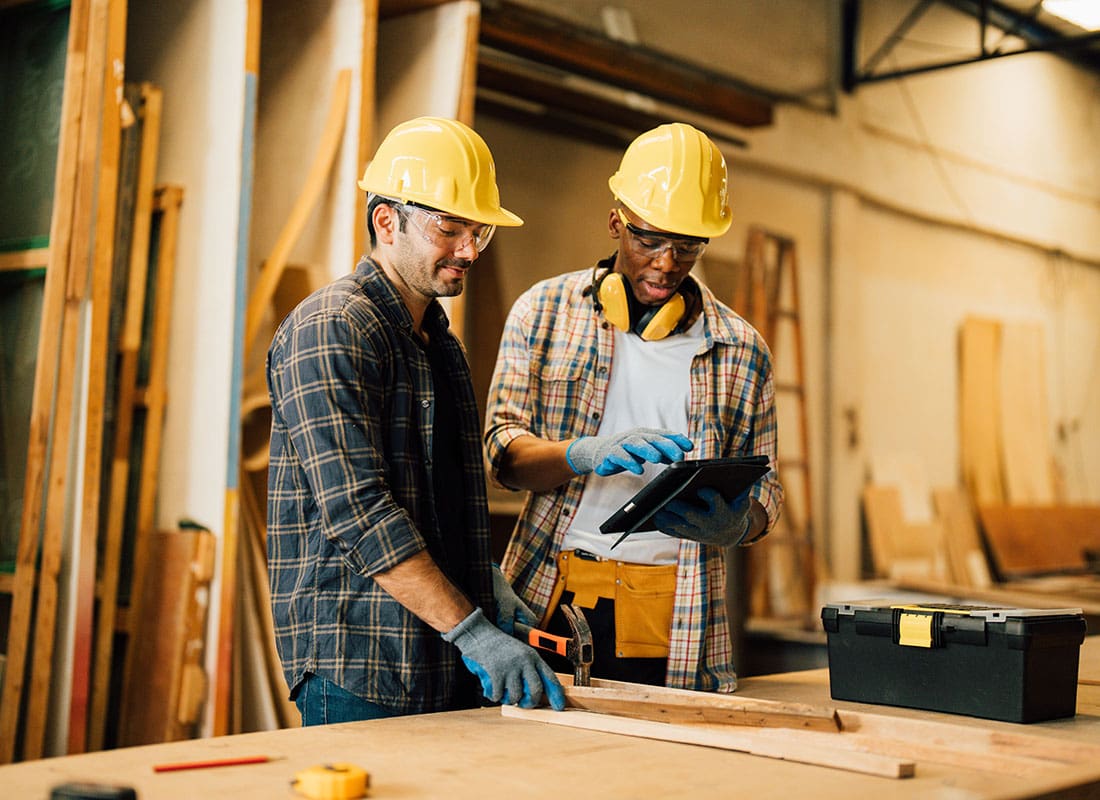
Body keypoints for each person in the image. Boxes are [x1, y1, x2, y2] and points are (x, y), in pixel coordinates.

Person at [266, 116, 565, 725]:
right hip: (362, 664)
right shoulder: (333, 327)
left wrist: (484, 582)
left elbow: (441, 502)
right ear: (386, 221)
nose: (469, 250)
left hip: (442, 654)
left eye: (478, 231)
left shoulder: (437, 344)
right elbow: (359, 511)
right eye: (449, 229)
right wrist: (476, 632)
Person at [484, 122, 784, 692]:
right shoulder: (543, 313)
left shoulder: (742, 350)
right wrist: (582, 454)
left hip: (679, 613)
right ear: (616, 220)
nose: (667, 264)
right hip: (554, 596)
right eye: (649, 240)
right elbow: (502, 453)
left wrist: (740, 523)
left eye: (688, 246)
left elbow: (768, 488)